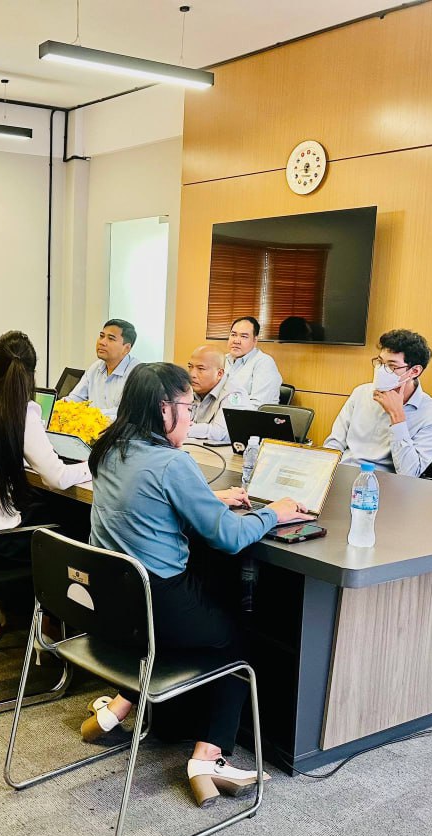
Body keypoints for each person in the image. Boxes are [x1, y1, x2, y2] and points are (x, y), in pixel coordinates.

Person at [85, 363, 309, 807]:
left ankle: (119, 708)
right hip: (157, 607)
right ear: (163, 408)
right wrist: (275, 513)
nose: (191, 418)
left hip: (112, 608)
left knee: (198, 613)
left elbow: (145, 504)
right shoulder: (172, 462)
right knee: (237, 637)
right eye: (187, 408)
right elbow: (229, 537)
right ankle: (208, 759)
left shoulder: (109, 448)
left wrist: (206, 499)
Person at [0, 331, 90, 545]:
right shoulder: (23, 413)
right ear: (31, 376)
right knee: (70, 515)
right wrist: (92, 465)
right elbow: (57, 478)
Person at [323, 329, 432, 477]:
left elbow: (409, 473)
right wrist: (325, 474)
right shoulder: (361, 393)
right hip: (343, 473)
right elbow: (334, 444)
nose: (381, 370)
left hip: (384, 483)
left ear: (414, 371)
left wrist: (397, 418)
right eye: (380, 362)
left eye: (391, 366)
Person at [65, 319, 137, 417]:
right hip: (91, 423)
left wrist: (89, 414)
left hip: (117, 427)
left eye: (111, 339)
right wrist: (58, 407)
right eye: (102, 336)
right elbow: (75, 399)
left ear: (126, 348)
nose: (102, 342)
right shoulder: (95, 367)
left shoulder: (137, 374)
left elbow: (126, 413)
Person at [222, 316, 282, 407]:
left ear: (255, 340)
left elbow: (258, 406)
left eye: (244, 336)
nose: (236, 341)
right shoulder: (223, 359)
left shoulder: (264, 363)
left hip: (246, 415)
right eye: (233, 335)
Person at [184, 345, 231, 444]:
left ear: (219, 374)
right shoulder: (188, 388)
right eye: (190, 367)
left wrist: (180, 429)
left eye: (201, 369)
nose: (192, 374)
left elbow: (220, 433)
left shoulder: (232, 394)